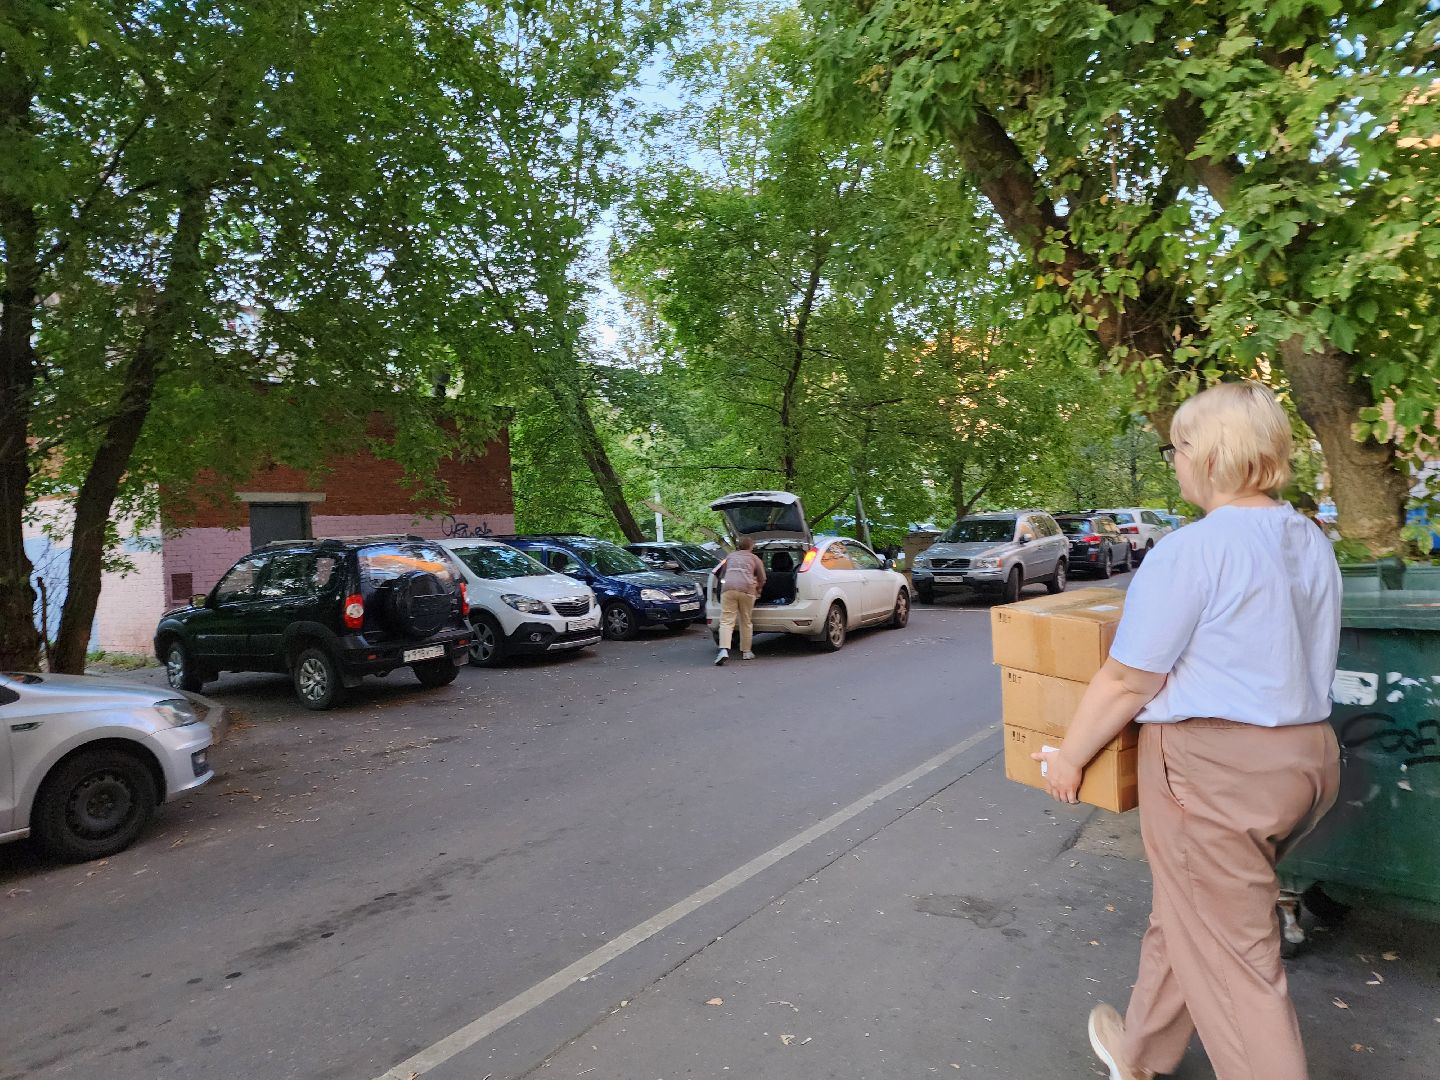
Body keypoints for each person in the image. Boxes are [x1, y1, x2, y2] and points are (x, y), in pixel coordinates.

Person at [1031, 381, 1342, 1080]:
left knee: (1236, 961)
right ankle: (1138, 1052)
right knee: (1197, 908)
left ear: (1205, 454)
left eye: (1176, 447)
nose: (1172, 461)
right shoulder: (1308, 539)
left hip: (1215, 771)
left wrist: (1069, 758)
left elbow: (1126, 679)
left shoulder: (1192, 551)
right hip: (1306, 762)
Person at [714, 536, 766, 666]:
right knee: (746, 620)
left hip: (728, 589)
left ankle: (724, 650)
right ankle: (746, 652)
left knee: (726, 620)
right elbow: (762, 577)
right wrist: (758, 590)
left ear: (738, 546)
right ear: (751, 546)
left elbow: (721, 572)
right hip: (747, 589)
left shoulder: (730, 556)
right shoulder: (754, 558)